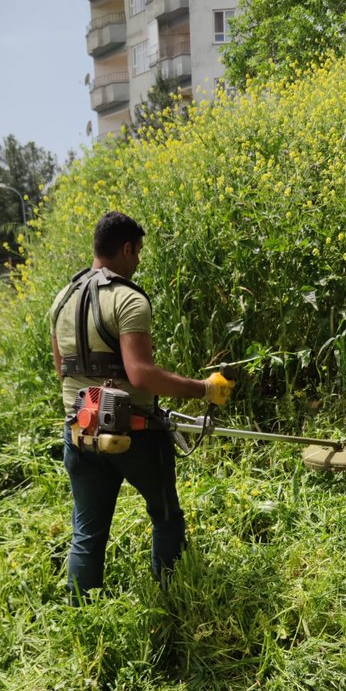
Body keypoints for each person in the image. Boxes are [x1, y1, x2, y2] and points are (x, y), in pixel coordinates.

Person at [50, 210, 234, 603]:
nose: (138, 261)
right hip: (134, 433)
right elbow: (141, 375)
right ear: (127, 248)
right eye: (138, 252)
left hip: (79, 432)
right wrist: (205, 389)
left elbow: (62, 370)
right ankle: (172, 599)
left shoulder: (62, 299)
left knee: (87, 531)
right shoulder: (127, 300)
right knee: (166, 516)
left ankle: (80, 615)